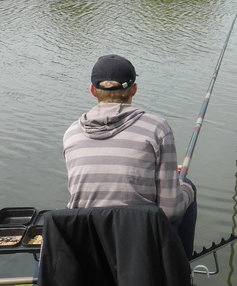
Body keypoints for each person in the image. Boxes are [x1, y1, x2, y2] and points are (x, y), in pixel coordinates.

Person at [63, 54, 197, 256]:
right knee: (187, 185)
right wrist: (186, 189)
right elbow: (170, 210)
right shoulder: (157, 128)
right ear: (134, 89)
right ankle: (181, 270)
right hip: (139, 240)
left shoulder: (71, 133)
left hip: (88, 239)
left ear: (92, 90)